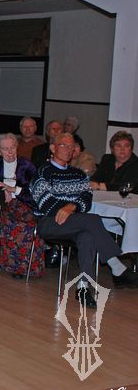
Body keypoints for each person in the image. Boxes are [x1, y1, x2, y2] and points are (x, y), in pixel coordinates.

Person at [30, 132, 138, 308]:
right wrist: (70, 207)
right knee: (92, 220)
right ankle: (116, 266)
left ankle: (83, 288)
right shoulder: (43, 172)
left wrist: (71, 207)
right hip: (48, 223)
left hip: (75, 222)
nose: (68, 149)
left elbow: (87, 199)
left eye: (71, 146)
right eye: (63, 145)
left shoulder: (78, 174)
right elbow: (46, 205)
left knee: (87, 236)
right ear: (53, 148)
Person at [0, 134, 41, 277]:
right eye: (5, 149)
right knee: (17, 222)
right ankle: (18, 267)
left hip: (25, 205)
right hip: (1, 207)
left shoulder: (26, 165)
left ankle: (24, 266)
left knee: (22, 222)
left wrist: (14, 190)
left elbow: (37, 187)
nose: (10, 152)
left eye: (12, 147)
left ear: (17, 147)